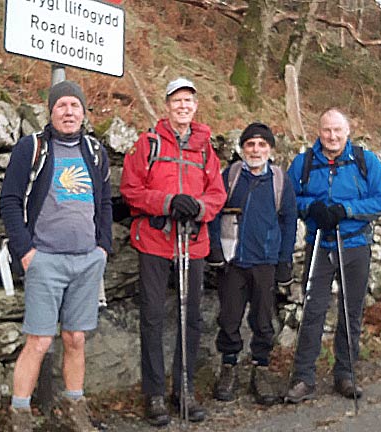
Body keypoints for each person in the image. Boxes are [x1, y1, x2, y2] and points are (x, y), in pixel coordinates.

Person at [0, 80, 112, 432]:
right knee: (39, 340)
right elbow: (10, 201)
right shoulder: (31, 148)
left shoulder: (95, 152)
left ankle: (74, 407)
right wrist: (26, 252)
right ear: (51, 111)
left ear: (83, 112)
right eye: (62, 105)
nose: (68, 112)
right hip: (45, 258)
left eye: (75, 106)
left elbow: (105, 202)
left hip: (86, 260)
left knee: (76, 338)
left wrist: (103, 248)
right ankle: (20, 414)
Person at [120, 77, 226, 426]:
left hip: (192, 243)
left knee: (190, 317)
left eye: (189, 101)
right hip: (154, 241)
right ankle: (153, 393)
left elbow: (218, 194)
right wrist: (166, 202)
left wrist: (197, 208)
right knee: (152, 315)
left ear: (196, 107)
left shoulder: (206, 148)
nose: (183, 106)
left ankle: (184, 388)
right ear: (167, 105)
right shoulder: (148, 143)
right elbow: (130, 190)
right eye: (177, 100)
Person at [284, 108, 381, 403]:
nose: (332, 136)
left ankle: (345, 374)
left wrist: (347, 210)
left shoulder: (364, 161)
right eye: (326, 131)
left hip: (355, 244)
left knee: (351, 310)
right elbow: (288, 196)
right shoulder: (304, 162)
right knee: (313, 310)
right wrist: (311, 208)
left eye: (337, 130)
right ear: (318, 132)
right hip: (320, 244)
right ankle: (303, 378)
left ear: (348, 131)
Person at [207, 122, 298, 405]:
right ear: (242, 148)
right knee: (229, 318)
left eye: (261, 145)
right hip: (233, 262)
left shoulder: (280, 181)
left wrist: (284, 262)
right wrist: (214, 250)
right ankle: (229, 367)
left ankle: (261, 368)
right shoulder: (231, 176)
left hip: (265, 261)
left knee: (262, 319)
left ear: (270, 149)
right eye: (250, 145)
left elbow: (289, 222)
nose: (255, 150)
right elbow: (212, 212)